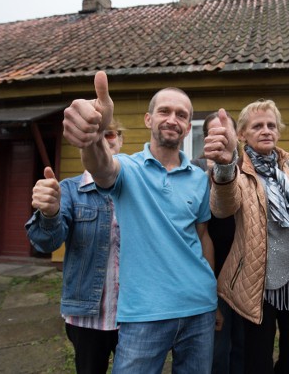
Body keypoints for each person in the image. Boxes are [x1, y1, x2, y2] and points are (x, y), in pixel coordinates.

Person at [62, 71, 218, 374]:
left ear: (188, 127)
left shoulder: (199, 178)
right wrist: (93, 135)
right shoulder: (129, 168)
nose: (172, 119)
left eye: (181, 115)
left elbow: (203, 236)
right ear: (149, 119)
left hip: (199, 309)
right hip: (144, 313)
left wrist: (212, 293)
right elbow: (101, 168)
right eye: (164, 111)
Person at [203, 100, 289, 374]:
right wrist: (226, 165)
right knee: (257, 359)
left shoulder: (286, 167)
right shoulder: (236, 171)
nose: (266, 130)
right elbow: (223, 206)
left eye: (271, 125)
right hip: (258, 282)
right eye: (257, 126)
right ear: (242, 134)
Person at [25, 118, 125, 374]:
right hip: (87, 314)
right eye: (96, 135)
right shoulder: (69, 190)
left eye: (110, 134)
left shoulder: (135, 189)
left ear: (121, 140)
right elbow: (49, 240)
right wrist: (49, 213)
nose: (103, 140)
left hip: (132, 313)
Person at [192, 112, 245, 374]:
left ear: (236, 137)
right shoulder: (195, 169)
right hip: (212, 269)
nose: (221, 137)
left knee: (243, 345)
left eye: (226, 131)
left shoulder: (247, 169)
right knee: (218, 346)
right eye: (214, 132)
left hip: (244, 270)